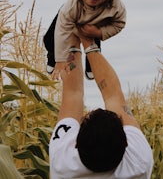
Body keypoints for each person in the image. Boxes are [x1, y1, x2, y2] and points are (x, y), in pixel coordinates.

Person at [49, 33, 154, 178]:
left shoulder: (62, 160)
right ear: (126, 145)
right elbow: (113, 95)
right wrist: (87, 41)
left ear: (75, 144)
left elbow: (74, 93)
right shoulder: (138, 164)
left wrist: (72, 29)